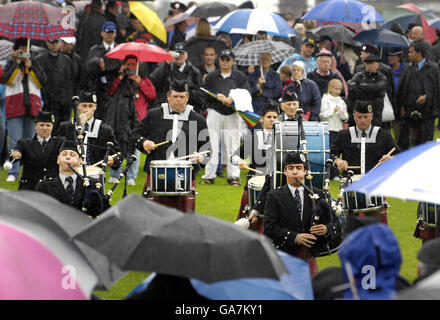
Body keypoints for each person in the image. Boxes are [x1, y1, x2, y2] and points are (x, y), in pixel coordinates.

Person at [131, 79, 210, 213]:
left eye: (182, 97)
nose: (178, 100)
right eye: (175, 97)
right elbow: (135, 135)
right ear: (168, 96)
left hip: (185, 175)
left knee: (183, 217)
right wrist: (144, 142)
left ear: (187, 97)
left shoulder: (198, 119)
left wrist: (201, 157)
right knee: (153, 214)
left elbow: (207, 151)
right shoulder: (154, 115)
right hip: (156, 174)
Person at [264, 151, 336, 277]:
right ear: (285, 171)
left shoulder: (319, 195)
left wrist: (326, 229)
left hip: (309, 256)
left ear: (306, 171)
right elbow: (269, 228)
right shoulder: (274, 196)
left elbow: (336, 224)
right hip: (284, 254)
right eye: (290, 168)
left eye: (299, 168)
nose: (295, 172)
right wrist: (294, 237)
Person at [106, 54, 157, 185]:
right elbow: (110, 91)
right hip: (119, 119)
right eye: (128, 64)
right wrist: (121, 76)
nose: (131, 67)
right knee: (116, 145)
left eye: (133, 65)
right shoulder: (120, 79)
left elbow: (152, 95)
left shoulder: (143, 80)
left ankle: (131, 176)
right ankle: (114, 173)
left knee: (135, 146)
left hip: (137, 118)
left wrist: (139, 81)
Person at [201, 49, 249, 186]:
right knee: (211, 144)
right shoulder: (211, 76)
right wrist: (218, 98)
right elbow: (205, 95)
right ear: (219, 60)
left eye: (228, 59)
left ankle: (234, 176)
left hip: (233, 113)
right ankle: (209, 176)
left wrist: (232, 99)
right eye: (223, 59)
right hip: (215, 112)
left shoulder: (240, 77)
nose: (225, 62)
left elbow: (246, 94)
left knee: (233, 145)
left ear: (233, 61)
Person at [1, 38, 47, 182]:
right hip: (15, 105)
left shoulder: (35, 63)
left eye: (25, 49)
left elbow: (42, 82)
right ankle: (13, 171)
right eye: (20, 49)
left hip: (32, 106)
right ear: (15, 51)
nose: (23, 52)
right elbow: (7, 80)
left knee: (31, 142)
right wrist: (17, 66)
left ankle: (29, 171)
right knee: (15, 140)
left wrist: (30, 68)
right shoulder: (11, 64)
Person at [232, 103, 279, 234]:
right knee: (248, 227)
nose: (272, 119)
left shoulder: (283, 139)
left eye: (275, 117)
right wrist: (240, 161)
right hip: (253, 186)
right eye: (269, 116)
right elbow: (234, 156)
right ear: (262, 119)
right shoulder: (253, 138)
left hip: (276, 187)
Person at [56, 91, 122, 172]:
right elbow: (56, 148)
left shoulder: (104, 129)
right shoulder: (66, 127)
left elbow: (117, 153)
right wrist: (78, 125)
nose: (87, 109)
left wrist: (113, 160)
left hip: (95, 172)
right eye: (84, 106)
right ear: (79, 107)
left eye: (90, 106)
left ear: (95, 107)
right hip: (70, 171)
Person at [35, 140, 104, 214]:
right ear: (58, 160)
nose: (67, 157)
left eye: (72, 155)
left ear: (80, 161)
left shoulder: (93, 185)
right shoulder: (44, 186)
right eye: (64, 154)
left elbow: (101, 212)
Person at [332, 101, 397, 175]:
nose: (363, 120)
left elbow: (399, 156)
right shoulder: (343, 135)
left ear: (371, 116)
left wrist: (390, 159)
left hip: (376, 180)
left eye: (366, 117)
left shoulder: (384, 135)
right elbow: (331, 154)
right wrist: (338, 161)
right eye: (359, 117)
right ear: (354, 116)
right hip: (350, 180)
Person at [397, 42, 440, 151]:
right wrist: (401, 106)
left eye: (411, 52)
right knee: (407, 149)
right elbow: (402, 90)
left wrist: (427, 96)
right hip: (408, 117)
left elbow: (436, 89)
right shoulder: (407, 68)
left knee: (423, 150)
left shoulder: (433, 68)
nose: (408, 55)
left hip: (426, 116)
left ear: (419, 53)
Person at [10, 111, 65, 190]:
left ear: (52, 126)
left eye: (48, 125)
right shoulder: (25, 143)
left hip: (52, 188)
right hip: (30, 187)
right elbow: (15, 152)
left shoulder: (59, 142)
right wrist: (15, 153)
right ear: (35, 126)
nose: (45, 128)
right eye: (41, 125)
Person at [150, 42, 205, 114]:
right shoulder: (166, 67)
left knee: (193, 125)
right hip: (168, 110)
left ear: (186, 55)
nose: (179, 56)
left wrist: (185, 93)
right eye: (177, 54)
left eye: (182, 54)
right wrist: (166, 64)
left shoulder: (195, 72)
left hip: (190, 110)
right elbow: (153, 80)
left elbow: (201, 95)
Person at [85, 21, 122, 120]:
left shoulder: (120, 49)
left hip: (116, 90)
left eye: (112, 33)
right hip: (99, 90)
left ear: (115, 34)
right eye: (107, 32)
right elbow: (88, 67)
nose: (110, 35)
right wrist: (98, 62)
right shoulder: (95, 50)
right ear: (102, 33)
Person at [34, 38, 75, 129]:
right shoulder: (40, 59)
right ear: (47, 43)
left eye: (56, 42)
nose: (54, 45)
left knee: (64, 128)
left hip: (64, 101)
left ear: (60, 43)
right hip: (48, 101)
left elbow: (71, 80)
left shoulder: (67, 60)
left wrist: (69, 98)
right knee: (49, 127)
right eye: (51, 42)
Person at [347, 54, 388, 127]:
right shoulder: (359, 75)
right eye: (367, 63)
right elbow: (351, 88)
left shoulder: (382, 77)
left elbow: (377, 88)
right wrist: (368, 89)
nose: (369, 66)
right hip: (358, 111)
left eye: (372, 63)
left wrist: (361, 86)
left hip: (374, 113)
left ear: (377, 65)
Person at [319, 79, 348, 179]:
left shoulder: (341, 101)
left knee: (337, 153)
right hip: (328, 129)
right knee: (329, 152)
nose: (338, 91)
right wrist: (333, 110)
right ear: (330, 88)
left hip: (339, 130)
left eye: (340, 89)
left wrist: (341, 113)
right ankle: (329, 174)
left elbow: (346, 118)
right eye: (335, 88)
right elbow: (322, 115)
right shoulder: (325, 99)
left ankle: (337, 173)